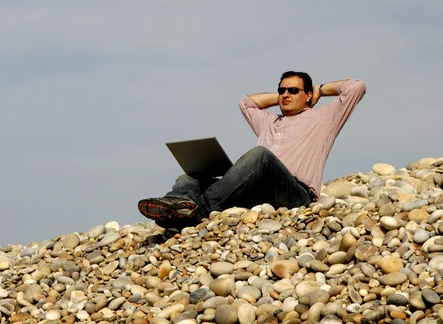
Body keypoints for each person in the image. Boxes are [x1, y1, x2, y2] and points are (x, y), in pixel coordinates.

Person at [138, 71, 366, 230]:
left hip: (296, 194)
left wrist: (320, 90)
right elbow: (246, 102)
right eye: (282, 90)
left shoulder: (323, 118)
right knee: (189, 175)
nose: (285, 95)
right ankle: (175, 206)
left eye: (293, 90)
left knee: (261, 155)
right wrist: (281, 98)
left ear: (307, 95)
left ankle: (199, 211)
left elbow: (356, 87)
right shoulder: (269, 121)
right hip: (258, 194)